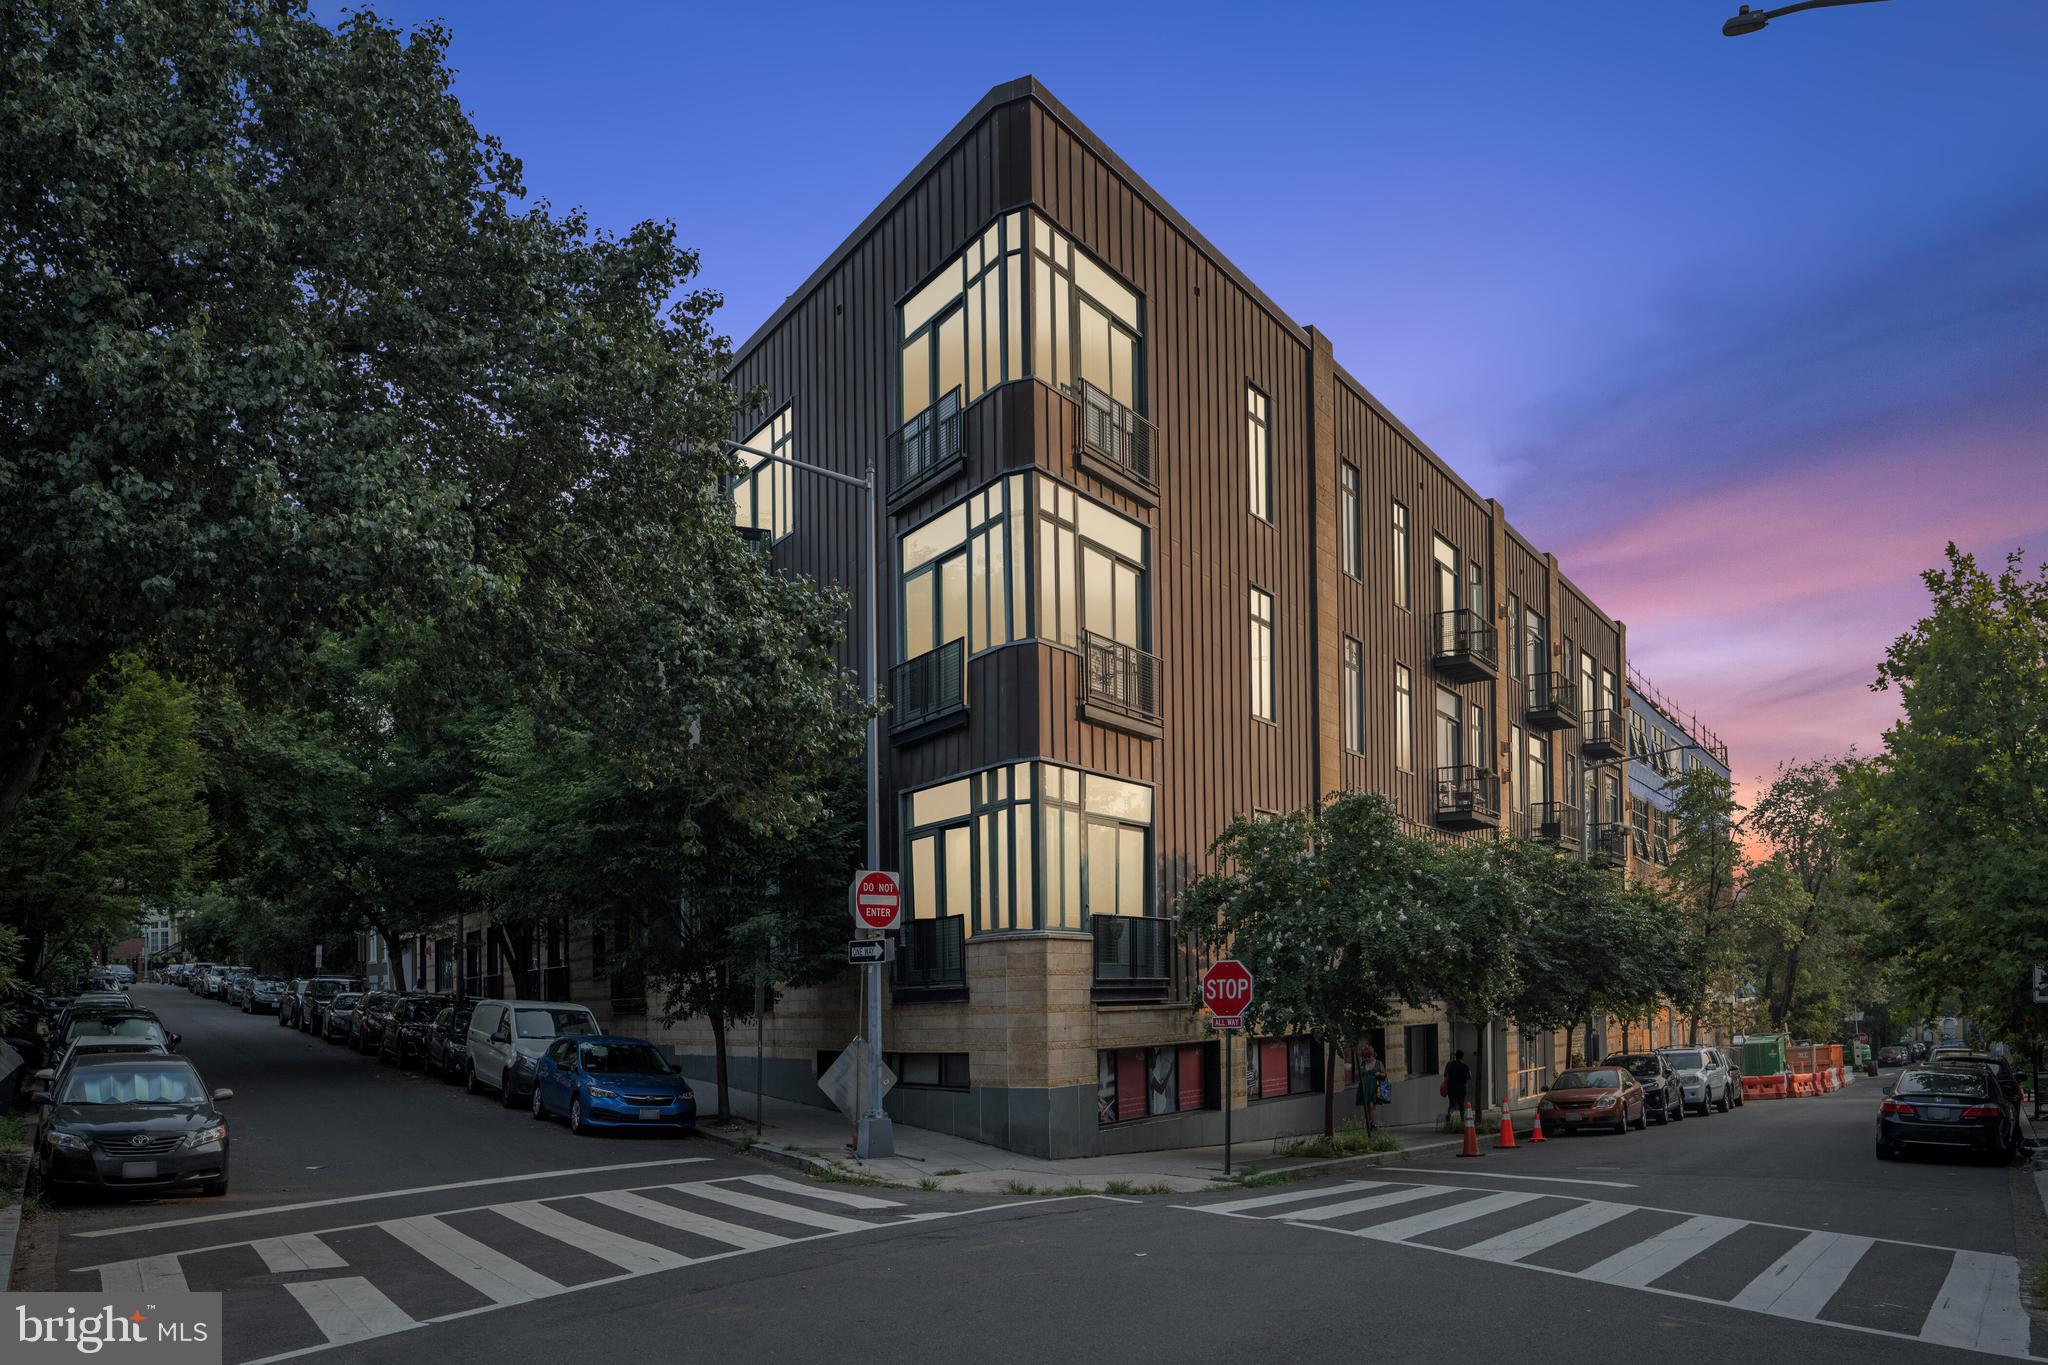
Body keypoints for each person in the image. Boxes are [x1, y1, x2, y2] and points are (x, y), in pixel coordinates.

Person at [1356, 1044, 1385, 1133]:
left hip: (1374, 1087)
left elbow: (1384, 1074)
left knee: (1371, 1106)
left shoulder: (1378, 1063)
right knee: (1367, 1108)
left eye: (1368, 1056)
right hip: (1364, 1088)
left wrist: (1379, 1074)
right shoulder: (1363, 1064)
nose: (1367, 1058)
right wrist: (1360, 1069)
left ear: (1373, 1055)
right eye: (1365, 1057)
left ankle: (1372, 1124)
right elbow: (1357, 1075)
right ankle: (1369, 1124)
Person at [1444, 1049, 1471, 1118]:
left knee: (1452, 1103)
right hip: (1461, 1086)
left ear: (1455, 1056)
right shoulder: (1465, 1066)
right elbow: (1469, 1077)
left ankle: (1449, 1114)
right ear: (1462, 1056)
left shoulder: (1450, 1065)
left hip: (1452, 1086)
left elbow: (1445, 1074)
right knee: (1461, 1103)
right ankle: (1462, 1118)